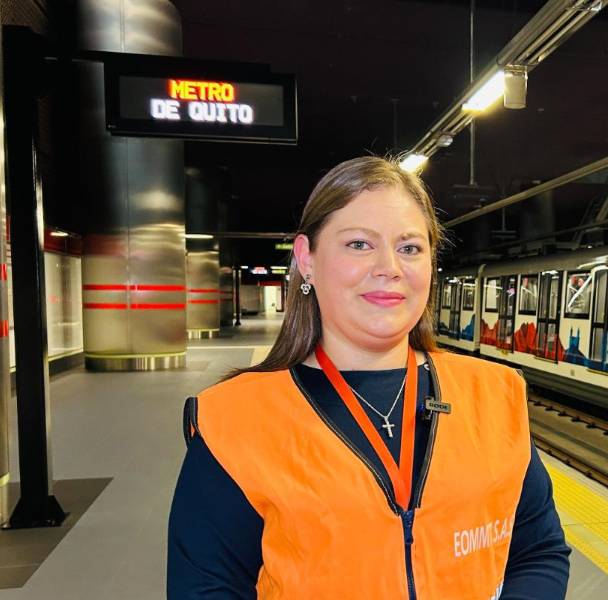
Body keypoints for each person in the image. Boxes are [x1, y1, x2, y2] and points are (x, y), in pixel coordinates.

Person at [167, 157, 571, 599]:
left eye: (410, 248)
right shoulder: (236, 421)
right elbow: (206, 589)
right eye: (359, 244)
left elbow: (539, 550)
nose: (389, 267)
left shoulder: (495, 394)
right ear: (307, 259)